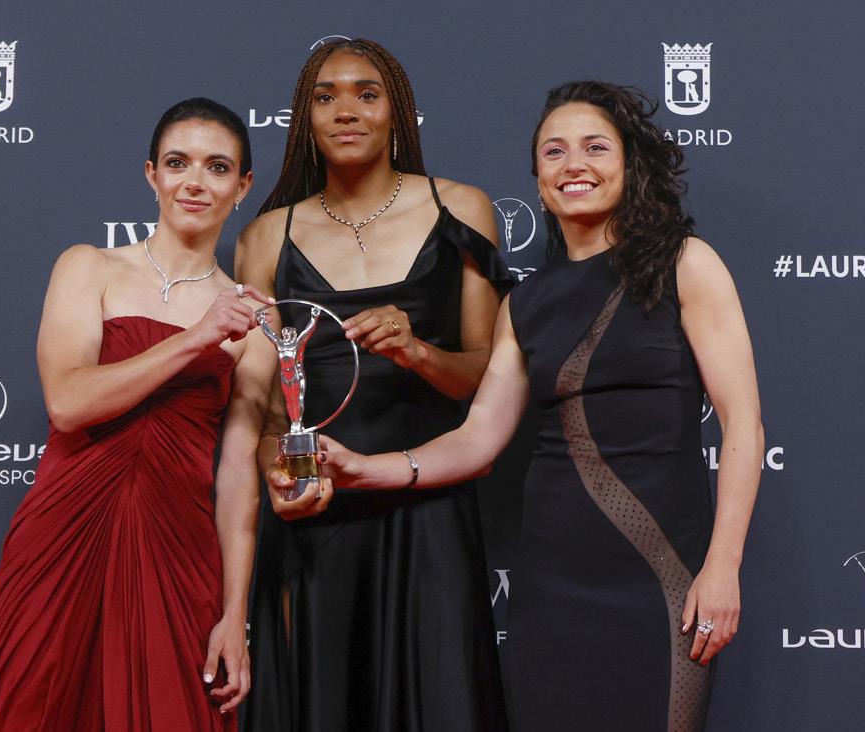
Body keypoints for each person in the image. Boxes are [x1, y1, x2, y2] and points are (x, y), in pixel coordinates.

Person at [317, 81, 764, 732]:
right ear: (538, 177)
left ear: (629, 162)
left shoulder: (685, 265)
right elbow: (477, 440)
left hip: (661, 578)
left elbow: (743, 422)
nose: (574, 164)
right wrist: (364, 469)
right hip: (550, 586)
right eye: (554, 151)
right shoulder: (523, 304)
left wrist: (722, 566)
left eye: (595, 147)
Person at [235, 38, 512, 732]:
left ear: (398, 112)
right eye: (325, 96)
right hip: (320, 510)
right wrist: (281, 476)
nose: (345, 110)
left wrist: (418, 352)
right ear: (305, 119)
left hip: (429, 502)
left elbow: (483, 379)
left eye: (367, 93)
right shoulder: (266, 237)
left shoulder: (461, 209)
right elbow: (268, 408)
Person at [0, 98, 276, 731]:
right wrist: (197, 338)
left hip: (178, 552)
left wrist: (234, 616)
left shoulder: (255, 318)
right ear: (151, 174)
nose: (194, 182)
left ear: (243, 186)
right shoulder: (88, 266)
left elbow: (237, 477)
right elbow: (68, 403)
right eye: (177, 163)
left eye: (217, 167)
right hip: (62, 540)